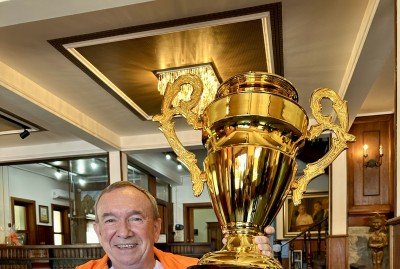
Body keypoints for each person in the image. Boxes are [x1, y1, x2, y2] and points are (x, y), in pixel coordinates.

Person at [77, 181, 274, 269]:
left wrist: (256, 261)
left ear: (156, 229)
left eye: (136, 218)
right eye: (111, 220)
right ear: (98, 230)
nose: (124, 232)